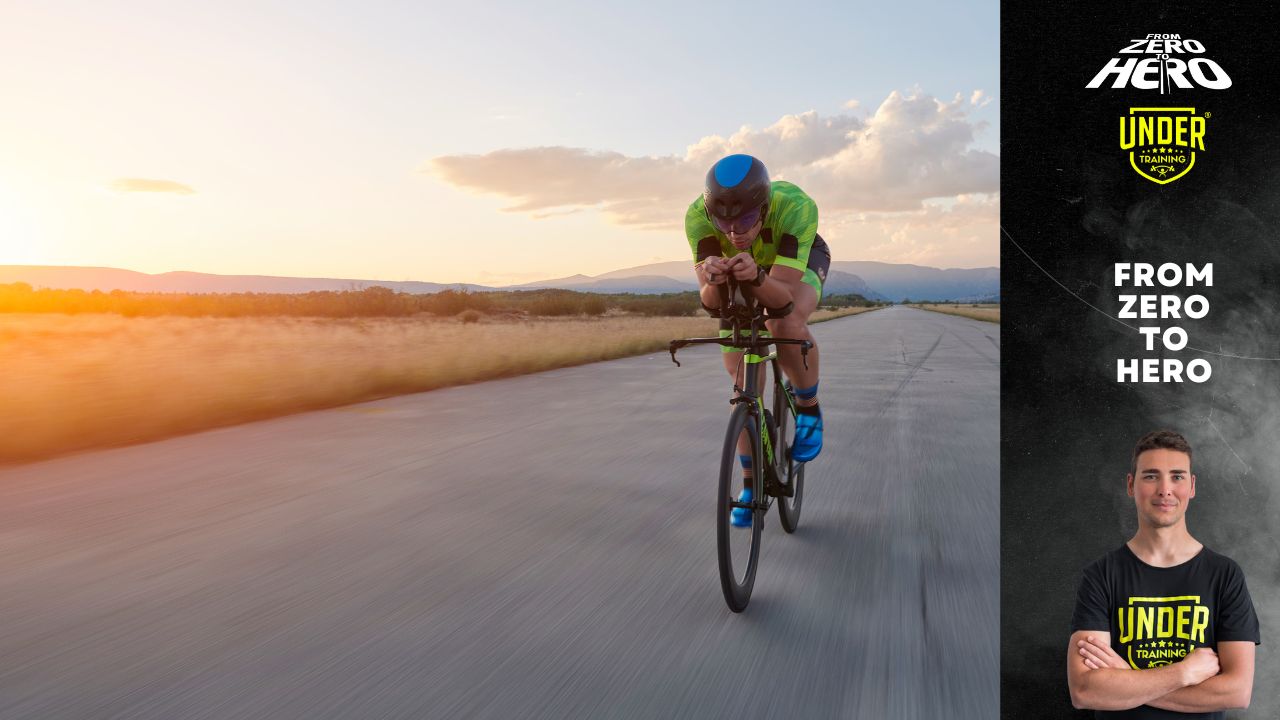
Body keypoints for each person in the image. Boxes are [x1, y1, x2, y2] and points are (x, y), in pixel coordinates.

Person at [1066, 430, 1260, 718]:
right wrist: (1183, 673)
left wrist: (1126, 677)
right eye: (1151, 476)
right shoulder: (1101, 575)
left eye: (1177, 476)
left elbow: (1237, 691)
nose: (1165, 489)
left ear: (1192, 486)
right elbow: (1085, 691)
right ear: (1131, 485)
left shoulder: (1224, 575)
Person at [686, 154, 831, 527]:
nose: (735, 233)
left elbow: (782, 299)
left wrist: (755, 278)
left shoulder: (796, 207)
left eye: (747, 220)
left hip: (792, 263)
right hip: (743, 270)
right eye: (725, 223)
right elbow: (710, 304)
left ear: (764, 208)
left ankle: (809, 408)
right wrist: (713, 282)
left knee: (784, 324)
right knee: (740, 389)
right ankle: (750, 484)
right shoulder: (697, 217)